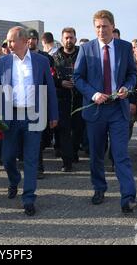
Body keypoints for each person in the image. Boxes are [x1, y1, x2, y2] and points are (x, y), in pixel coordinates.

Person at [74, 10, 137, 214]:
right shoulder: (86, 49)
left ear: (112, 27)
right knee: (96, 154)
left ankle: (128, 198)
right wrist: (93, 94)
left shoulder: (123, 48)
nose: (101, 30)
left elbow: (132, 74)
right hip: (95, 110)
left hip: (117, 109)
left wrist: (127, 88)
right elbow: (78, 78)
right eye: (97, 26)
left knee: (120, 154)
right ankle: (99, 188)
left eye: (104, 26)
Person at [0, 26, 58, 216]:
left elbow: (50, 89)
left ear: (23, 41)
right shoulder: (2, 62)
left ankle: (29, 198)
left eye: (11, 41)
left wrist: (53, 114)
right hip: (10, 116)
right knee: (7, 158)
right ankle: (14, 180)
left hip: (33, 115)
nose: (8, 44)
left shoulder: (41, 61)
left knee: (31, 158)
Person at [27, 28, 55, 179]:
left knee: (40, 136)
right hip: (23, 103)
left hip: (41, 100)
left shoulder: (46, 58)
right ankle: (35, 166)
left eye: (33, 38)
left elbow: (50, 81)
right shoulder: (18, 57)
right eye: (28, 39)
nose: (31, 41)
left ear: (38, 40)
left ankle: (38, 166)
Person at [52, 27, 81, 171]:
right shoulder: (54, 57)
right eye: (66, 38)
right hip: (62, 98)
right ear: (62, 39)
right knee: (64, 130)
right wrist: (60, 83)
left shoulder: (83, 55)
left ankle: (74, 152)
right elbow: (50, 77)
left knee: (78, 129)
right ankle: (67, 162)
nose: (69, 40)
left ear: (75, 39)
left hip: (79, 98)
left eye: (71, 37)